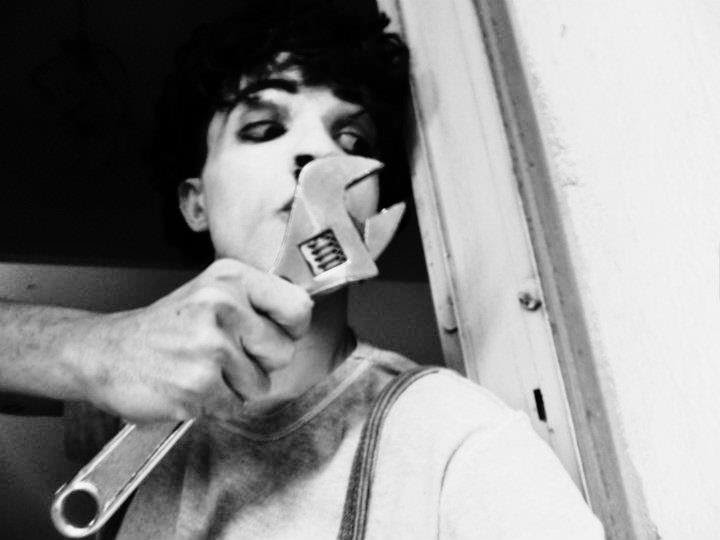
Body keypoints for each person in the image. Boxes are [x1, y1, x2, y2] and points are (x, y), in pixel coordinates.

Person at [0, 1, 604, 537]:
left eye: (353, 140)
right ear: (195, 202)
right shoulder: (126, 398)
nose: (318, 153)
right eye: (264, 128)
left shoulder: (455, 440)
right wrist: (94, 352)